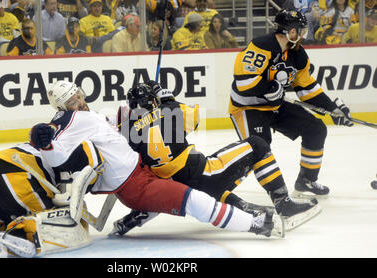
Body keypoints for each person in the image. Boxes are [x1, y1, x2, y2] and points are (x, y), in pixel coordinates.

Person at [110, 81, 319, 235]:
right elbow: (194, 120)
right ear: (153, 100)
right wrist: (168, 99)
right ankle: (283, 203)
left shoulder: (128, 134)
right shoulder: (168, 110)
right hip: (203, 172)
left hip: (177, 187)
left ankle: (136, 217)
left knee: (200, 188)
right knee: (257, 144)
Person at [228, 9, 354, 200]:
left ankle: (306, 180)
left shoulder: (298, 54)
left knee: (316, 129)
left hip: (275, 106)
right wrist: (269, 88)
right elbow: (243, 82)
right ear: (288, 31)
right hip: (248, 107)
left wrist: (332, 109)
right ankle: (220, 183)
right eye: (299, 30)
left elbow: (308, 89)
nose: (303, 34)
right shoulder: (261, 46)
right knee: (259, 149)